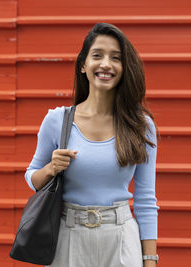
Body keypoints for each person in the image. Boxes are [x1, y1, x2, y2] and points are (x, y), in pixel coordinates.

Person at [25, 22, 160, 267]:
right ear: (83, 65)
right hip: (68, 238)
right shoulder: (57, 121)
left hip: (121, 240)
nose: (106, 64)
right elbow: (32, 177)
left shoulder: (141, 125)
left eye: (116, 58)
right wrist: (51, 168)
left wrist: (149, 260)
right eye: (97, 55)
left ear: (123, 67)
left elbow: (146, 200)